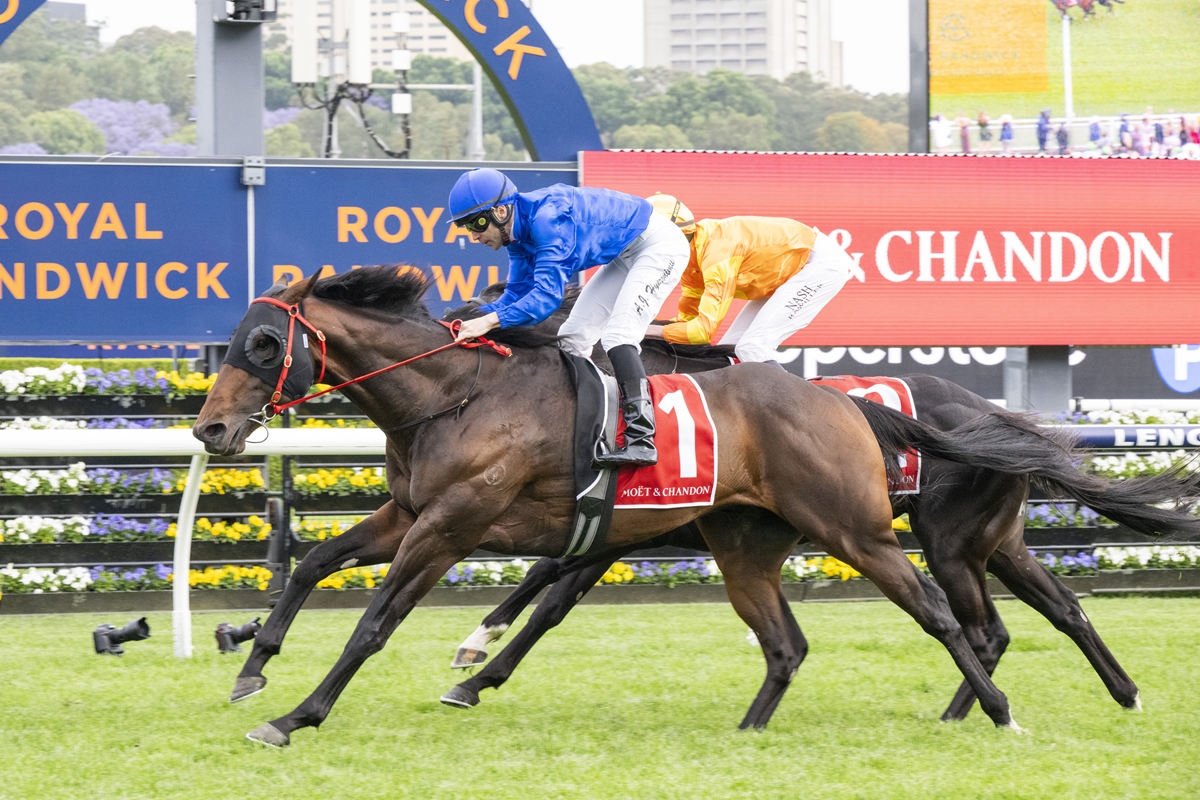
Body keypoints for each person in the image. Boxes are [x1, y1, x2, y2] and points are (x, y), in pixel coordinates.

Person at [448, 169, 689, 467]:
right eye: (467, 227)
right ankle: (581, 428)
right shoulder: (516, 234)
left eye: (477, 223)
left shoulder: (548, 220)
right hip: (625, 253)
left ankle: (642, 439)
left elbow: (545, 300)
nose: (473, 235)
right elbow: (516, 293)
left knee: (618, 335)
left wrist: (488, 322)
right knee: (573, 339)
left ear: (500, 211)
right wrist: (470, 318)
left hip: (659, 245)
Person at [643, 195, 854, 366]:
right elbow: (688, 324)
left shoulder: (717, 254)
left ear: (674, 235)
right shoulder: (690, 264)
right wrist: (641, 326)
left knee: (752, 348)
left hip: (819, 265)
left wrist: (643, 331)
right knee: (729, 355)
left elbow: (702, 332)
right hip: (788, 272)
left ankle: (799, 406)